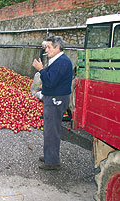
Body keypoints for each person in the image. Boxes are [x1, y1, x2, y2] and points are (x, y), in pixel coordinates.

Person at [32, 36, 73, 170]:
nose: (47, 50)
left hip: (57, 99)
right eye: (46, 47)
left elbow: (50, 81)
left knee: (52, 130)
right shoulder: (56, 60)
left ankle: (53, 162)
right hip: (53, 98)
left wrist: (41, 69)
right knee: (50, 129)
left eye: (49, 47)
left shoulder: (62, 62)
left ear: (57, 47)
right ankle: (50, 155)